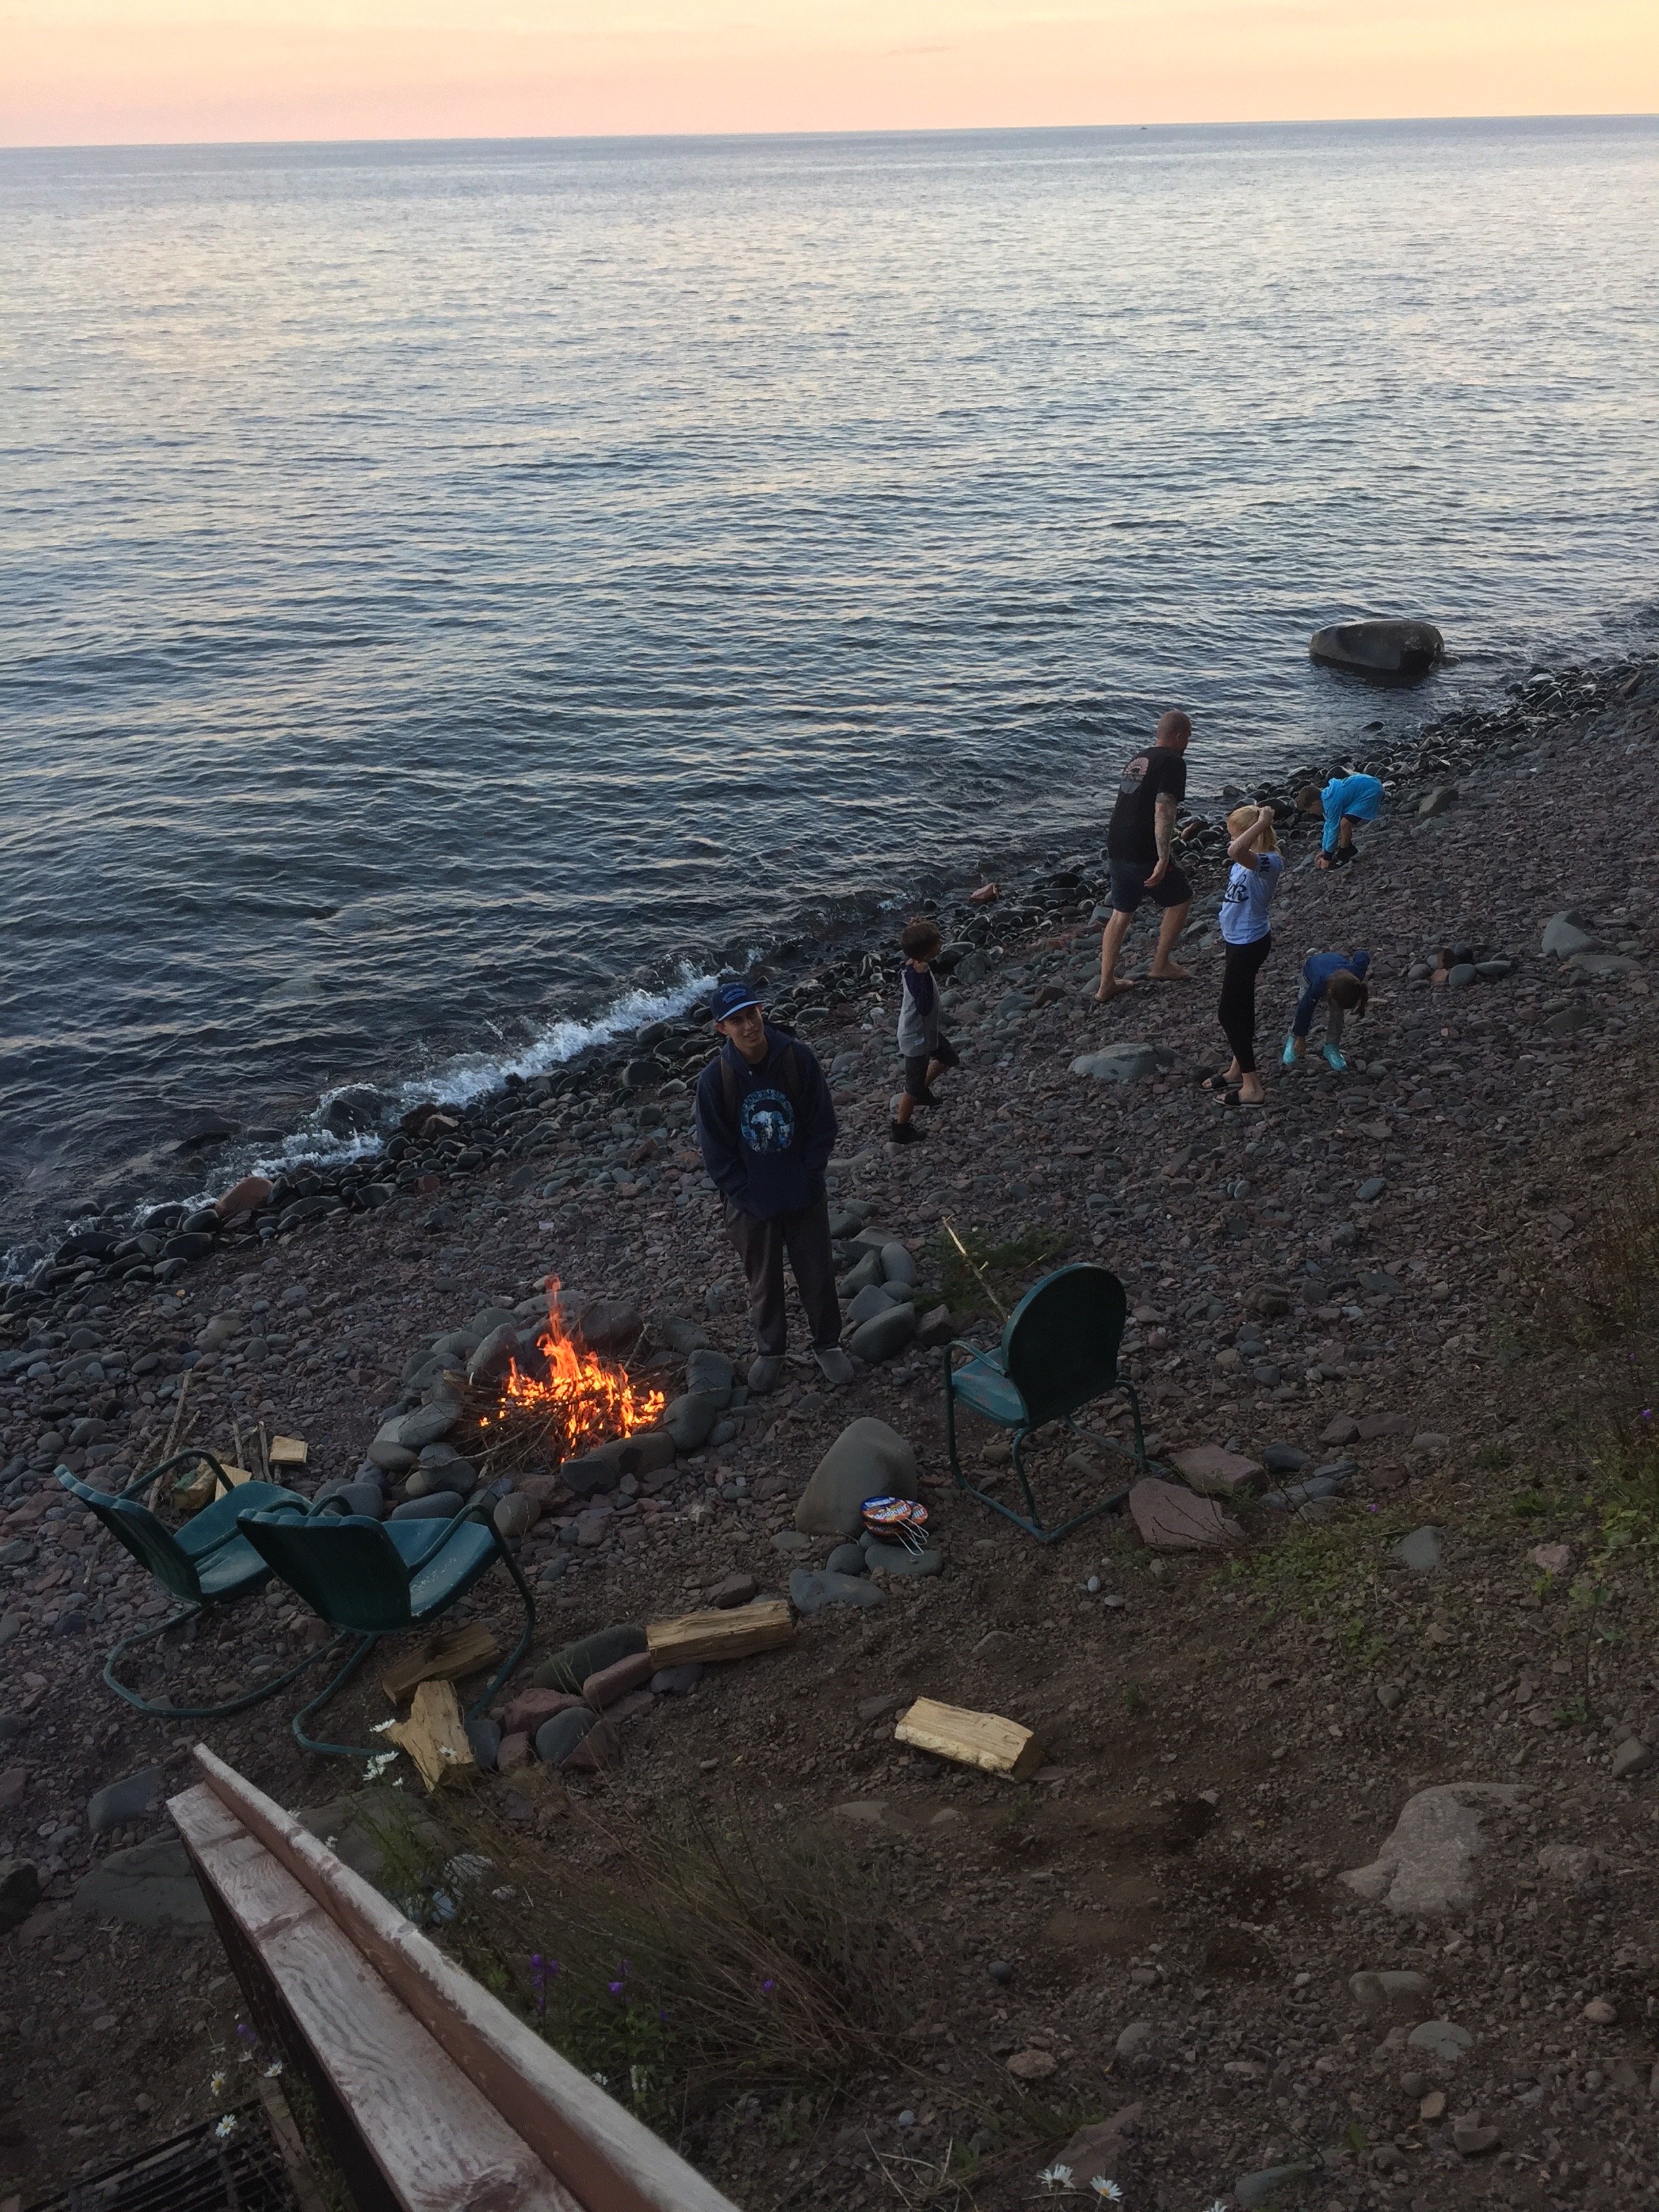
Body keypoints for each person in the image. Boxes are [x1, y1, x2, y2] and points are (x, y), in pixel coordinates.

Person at [694, 981, 853, 1391]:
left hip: (803, 1192)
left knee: (817, 1272)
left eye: (752, 1014)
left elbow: (823, 1124)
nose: (749, 1026)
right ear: (721, 1029)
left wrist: (810, 1175)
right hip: (751, 1203)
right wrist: (746, 1195)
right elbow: (716, 1153)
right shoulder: (716, 1081)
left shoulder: (796, 1059)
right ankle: (771, 1351)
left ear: (762, 1011)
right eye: (737, 1020)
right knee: (763, 1281)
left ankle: (827, 1344)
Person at [1096, 709, 1194, 1002]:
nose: (1188, 742)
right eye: (1187, 737)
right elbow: (1164, 809)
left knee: (1120, 912)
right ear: (1178, 736)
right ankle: (1161, 964)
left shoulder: (1139, 758)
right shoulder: (1174, 762)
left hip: (1117, 841)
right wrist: (1163, 857)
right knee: (1181, 899)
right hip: (1143, 846)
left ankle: (1105, 983)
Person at [1210, 803, 1284, 1106]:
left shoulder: (1270, 862)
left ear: (1249, 835)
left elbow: (1235, 852)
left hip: (1249, 943)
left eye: (1233, 834)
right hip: (1235, 941)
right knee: (1243, 1005)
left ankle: (1252, 1087)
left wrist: (1263, 821)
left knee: (1228, 1013)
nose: (1230, 841)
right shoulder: (1249, 860)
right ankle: (1237, 1069)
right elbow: (1236, 854)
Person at [891, 918, 958, 1145]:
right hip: (915, 1039)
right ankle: (901, 1129)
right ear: (928, 952)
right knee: (911, 1087)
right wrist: (923, 977)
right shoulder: (915, 974)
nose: (942, 945)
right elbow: (924, 1005)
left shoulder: (915, 962)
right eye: (938, 943)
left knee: (949, 1057)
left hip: (927, 1033)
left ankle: (923, 1091)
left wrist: (916, 926)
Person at [1282, 951, 1370, 1072]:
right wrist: (1301, 1038)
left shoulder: (1356, 975)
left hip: (1336, 967)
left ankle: (1332, 1046)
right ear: (1328, 993)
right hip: (1310, 974)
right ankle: (1293, 1038)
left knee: (1337, 1013)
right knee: (1303, 1006)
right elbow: (1305, 1010)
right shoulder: (1317, 985)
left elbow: (1362, 955)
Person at [1314, 770, 1384, 868]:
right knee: (1343, 822)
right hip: (1368, 785)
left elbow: (1334, 829)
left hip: (1371, 790)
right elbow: (1328, 826)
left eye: (1311, 810)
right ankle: (1351, 851)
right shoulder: (1326, 798)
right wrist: (1324, 850)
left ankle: (1343, 857)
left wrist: (1327, 857)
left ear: (1315, 803)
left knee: (1345, 823)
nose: (1312, 813)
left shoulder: (1330, 804)